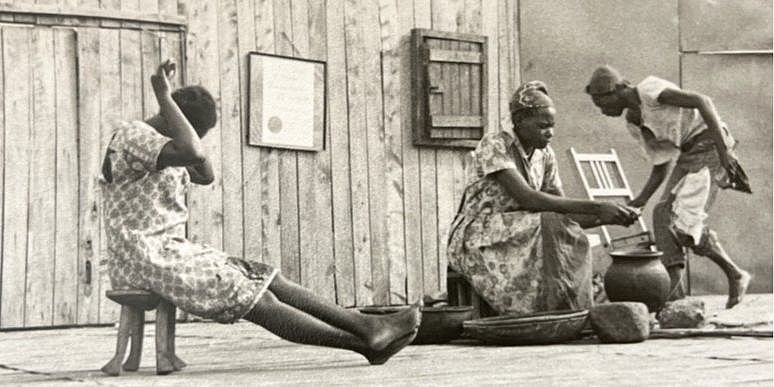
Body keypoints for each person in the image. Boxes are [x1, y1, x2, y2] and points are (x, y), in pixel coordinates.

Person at [100, 59, 421, 366]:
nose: (195, 140)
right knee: (255, 298)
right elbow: (193, 152)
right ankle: (364, 341)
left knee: (268, 278)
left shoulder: (168, 145)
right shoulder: (134, 136)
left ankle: (367, 326)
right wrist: (165, 98)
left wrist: (176, 117)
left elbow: (204, 172)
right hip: (143, 258)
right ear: (173, 120)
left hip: (171, 253)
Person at [447, 80, 640, 315]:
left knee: (562, 227)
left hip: (522, 229)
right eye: (542, 126)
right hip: (478, 235)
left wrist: (608, 217)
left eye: (552, 125)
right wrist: (599, 206)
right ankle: (546, 311)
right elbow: (529, 199)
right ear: (519, 122)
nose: (550, 132)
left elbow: (564, 212)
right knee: (549, 223)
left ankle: (570, 310)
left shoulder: (545, 155)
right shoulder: (495, 144)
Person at [585, 65, 752, 309]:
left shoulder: (650, 90)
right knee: (662, 214)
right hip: (688, 153)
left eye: (602, 104)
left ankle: (729, 276)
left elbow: (702, 101)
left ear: (617, 91)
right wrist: (639, 201)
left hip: (710, 145)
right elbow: (661, 162)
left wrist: (725, 151)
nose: (602, 111)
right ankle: (677, 296)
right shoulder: (634, 121)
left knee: (684, 222)